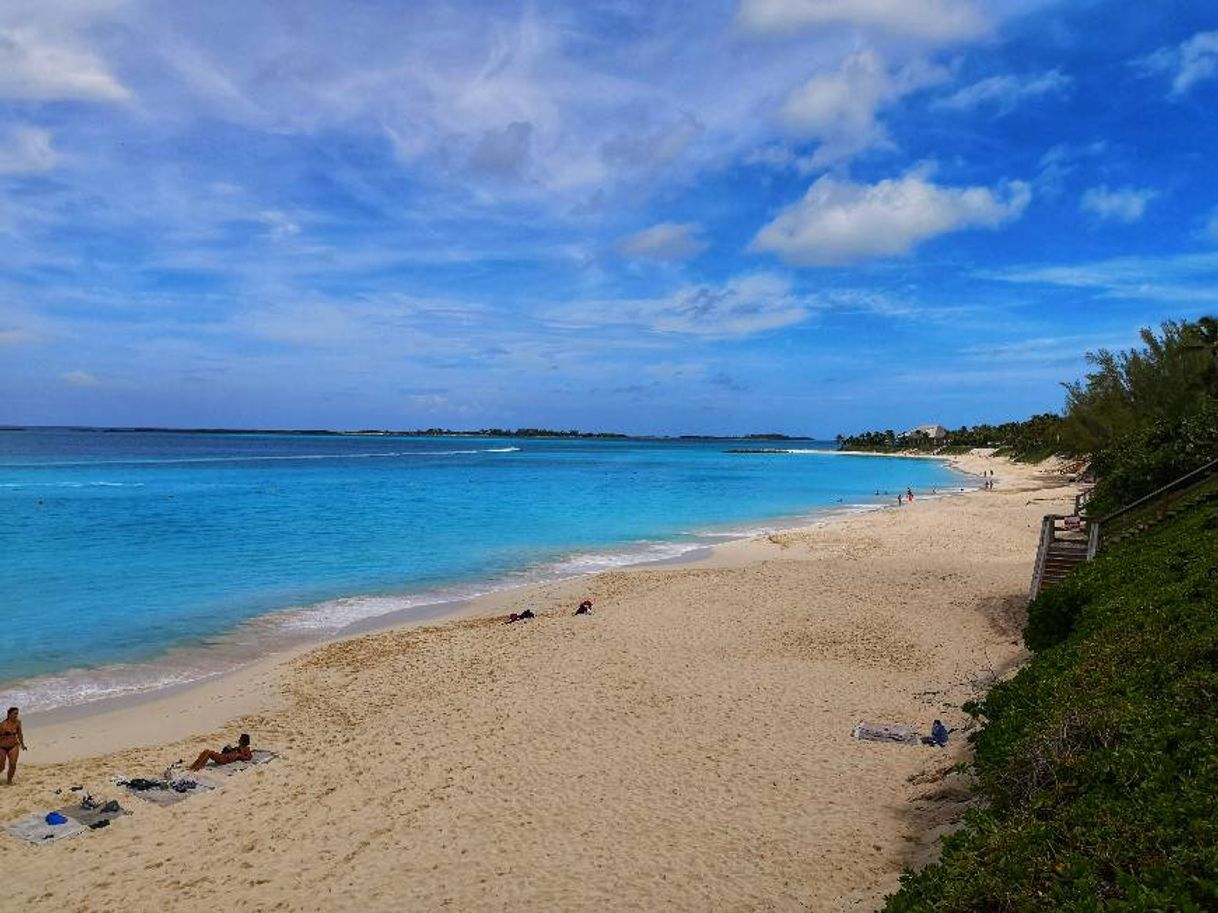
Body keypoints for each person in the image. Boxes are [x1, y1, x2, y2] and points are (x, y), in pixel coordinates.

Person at [188, 733, 252, 771]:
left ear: (244, 741)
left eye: (240, 739)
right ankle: (193, 766)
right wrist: (229, 749)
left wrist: (239, 755)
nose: (239, 740)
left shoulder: (246, 749)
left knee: (209, 753)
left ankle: (198, 768)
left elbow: (249, 757)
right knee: (206, 751)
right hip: (225, 756)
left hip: (225, 759)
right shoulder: (239, 747)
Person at [0, 707, 27, 785]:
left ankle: (9, 781)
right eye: (15, 713)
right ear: (9, 714)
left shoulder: (18, 723)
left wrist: (22, 745)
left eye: (17, 713)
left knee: (13, 764)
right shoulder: (2, 724)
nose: (16, 715)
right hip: (2, 747)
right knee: (1, 766)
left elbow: (20, 734)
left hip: (13, 746)